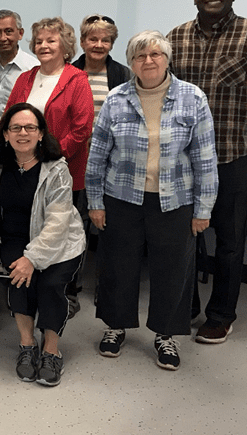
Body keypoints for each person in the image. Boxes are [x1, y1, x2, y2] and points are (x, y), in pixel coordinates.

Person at [87, 31, 218, 371]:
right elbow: (97, 156)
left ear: (167, 58)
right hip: (121, 198)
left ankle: (165, 334)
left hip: (175, 200)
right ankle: (115, 327)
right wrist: (95, 202)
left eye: (156, 54)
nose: (148, 61)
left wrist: (203, 209)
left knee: (173, 269)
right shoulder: (116, 99)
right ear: (131, 63)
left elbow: (205, 159)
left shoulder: (193, 98)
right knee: (117, 266)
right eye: (140, 56)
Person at [168, 0, 247, 344]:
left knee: (230, 240)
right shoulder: (177, 37)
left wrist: (245, 125)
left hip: (235, 155)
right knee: (183, 235)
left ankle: (220, 315)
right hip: (184, 157)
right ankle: (185, 306)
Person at [0, 103, 85, 387]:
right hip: (14, 239)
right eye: (16, 128)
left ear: (42, 134)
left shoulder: (56, 169)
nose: (23, 133)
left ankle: (51, 350)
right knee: (19, 279)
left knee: (48, 283)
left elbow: (58, 224)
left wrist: (32, 258)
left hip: (60, 243)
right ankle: (26, 345)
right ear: (6, 135)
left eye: (30, 127)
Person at [6, 17, 94, 197]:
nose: (43, 46)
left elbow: (81, 130)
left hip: (62, 170)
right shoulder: (24, 78)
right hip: (22, 167)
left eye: (51, 41)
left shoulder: (77, 80)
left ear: (65, 46)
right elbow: (8, 118)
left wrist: (47, 156)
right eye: (39, 42)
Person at [0, 10, 38, 133]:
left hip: (19, 136)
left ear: (20, 33)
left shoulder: (34, 68)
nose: (3, 38)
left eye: (8, 31)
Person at [70, 14, 131, 124]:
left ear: (111, 45)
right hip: (76, 140)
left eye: (105, 41)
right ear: (82, 42)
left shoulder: (125, 75)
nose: (99, 45)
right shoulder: (68, 73)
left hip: (109, 140)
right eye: (93, 39)